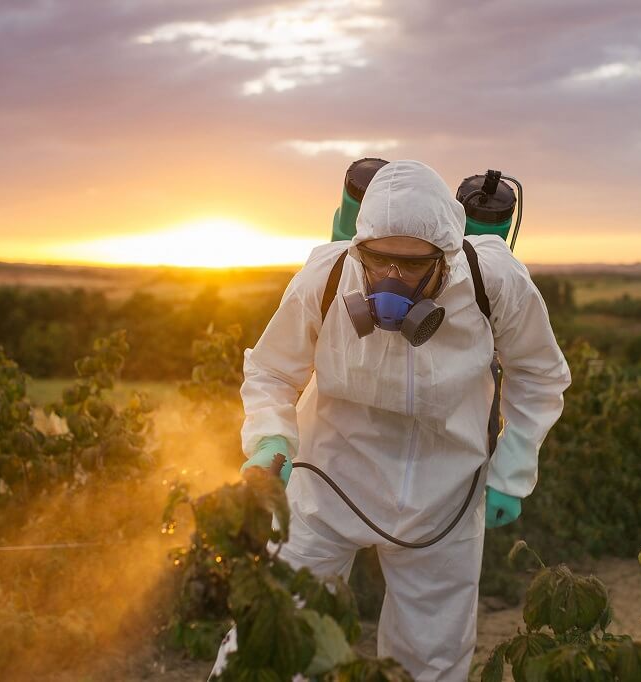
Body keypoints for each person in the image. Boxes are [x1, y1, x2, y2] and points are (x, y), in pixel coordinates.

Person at [214, 159, 570, 681]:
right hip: (329, 479)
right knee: (276, 625)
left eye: (411, 265)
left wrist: (512, 470)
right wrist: (270, 438)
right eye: (378, 261)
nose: (392, 279)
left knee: (431, 656)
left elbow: (539, 374)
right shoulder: (328, 275)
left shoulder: (492, 280)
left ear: (447, 255)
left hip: (443, 493)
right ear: (359, 248)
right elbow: (271, 370)